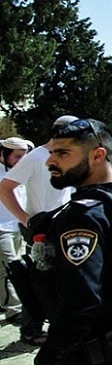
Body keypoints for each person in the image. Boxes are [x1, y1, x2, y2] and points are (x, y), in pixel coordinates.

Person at [33, 118, 112, 365]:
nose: (50, 161)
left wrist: (50, 362)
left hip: (95, 361)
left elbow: (81, 300)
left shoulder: (82, 216)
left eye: (63, 153)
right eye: (52, 152)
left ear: (98, 155)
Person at [0, 114, 77, 346]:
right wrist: (26, 220)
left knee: (59, 282)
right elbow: (5, 188)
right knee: (37, 281)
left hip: (64, 226)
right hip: (41, 229)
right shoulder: (36, 157)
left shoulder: (69, 157)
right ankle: (31, 329)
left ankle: (57, 328)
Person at [0, 137, 28, 323]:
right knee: (11, 267)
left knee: (14, 267)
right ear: (4, 153)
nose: (21, 160)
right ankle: (14, 309)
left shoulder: (19, 172)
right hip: (1, 229)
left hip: (18, 227)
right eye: (17, 156)